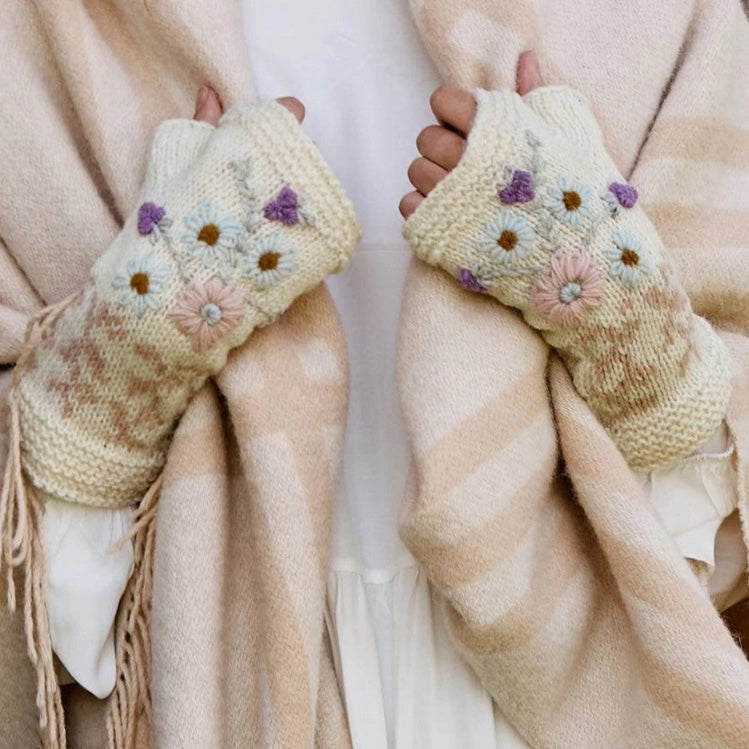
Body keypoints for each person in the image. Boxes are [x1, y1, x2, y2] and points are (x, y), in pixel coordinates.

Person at [3, 0, 749, 746]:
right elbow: (30, 569)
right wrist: (137, 335)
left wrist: (616, 303)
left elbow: (714, 499)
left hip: (558, 681)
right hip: (228, 668)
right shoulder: (44, 27)